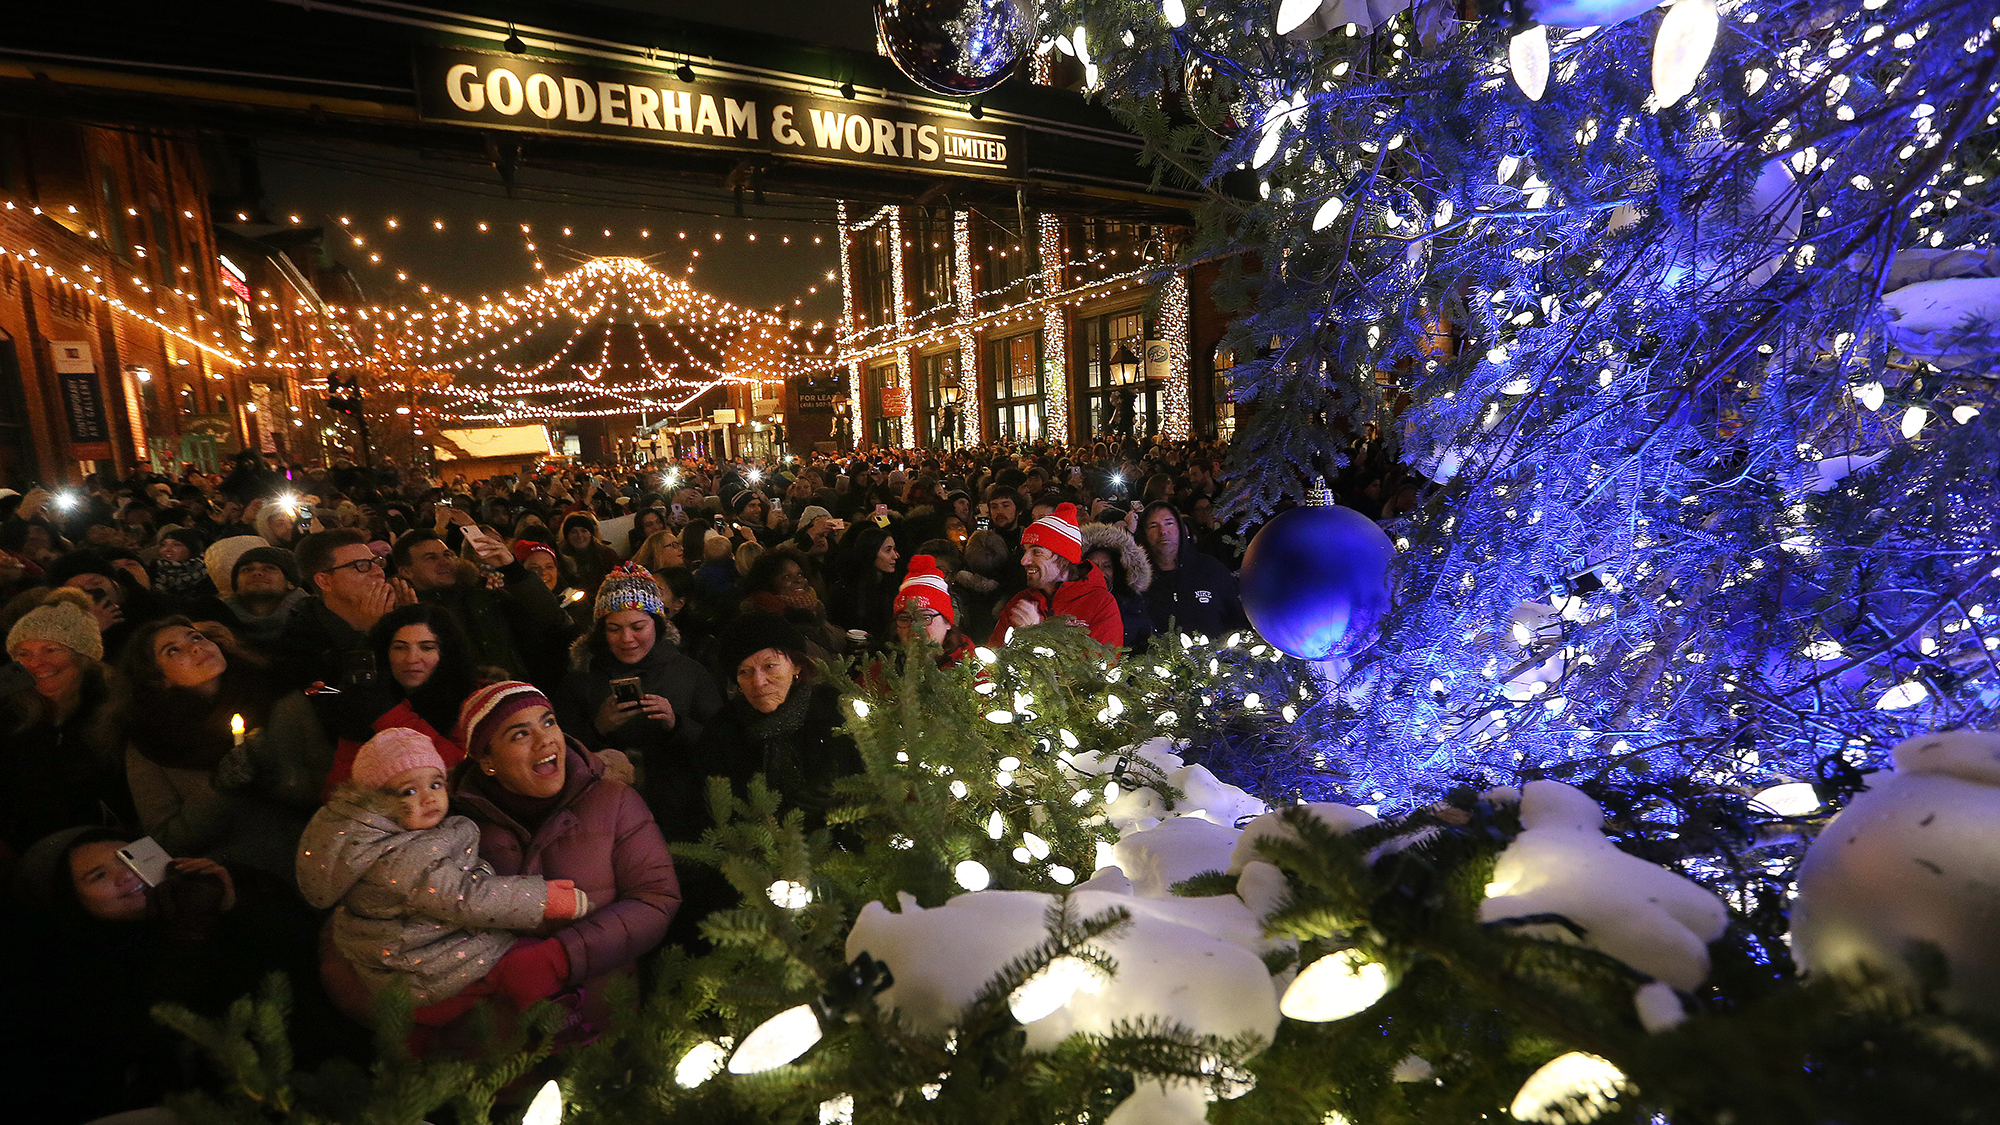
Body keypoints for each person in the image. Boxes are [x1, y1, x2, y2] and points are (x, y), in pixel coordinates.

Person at [297, 729, 590, 1019]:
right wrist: (541, 899)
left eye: (436, 785)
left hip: (426, 952)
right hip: (427, 967)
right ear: (375, 803)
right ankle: (557, 1023)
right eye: (409, 791)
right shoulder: (398, 861)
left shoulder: (398, 838)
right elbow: (463, 896)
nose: (428, 798)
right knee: (531, 963)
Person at [444, 682, 679, 1022]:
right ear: (487, 761)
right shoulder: (458, 829)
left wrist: (560, 957)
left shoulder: (613, 801)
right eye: (520, 735)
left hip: (605, 1014)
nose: (545, 740)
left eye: (549, 722)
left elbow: (656, 898)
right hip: (505, 1027)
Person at [123, 616, 330, 882]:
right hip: (233, 879)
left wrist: (278, 777)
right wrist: (218, 789)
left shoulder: (280, 699)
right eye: (173, 650)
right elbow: (166, 839)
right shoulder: (151, 742)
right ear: (158, 678)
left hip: (311, 861)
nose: (195, 647)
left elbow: (329, 786)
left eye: (196, 637)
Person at [559, 564, 724, 835]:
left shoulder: (688, 672)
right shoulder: (582, 677)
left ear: (657, 625)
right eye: (614, 629)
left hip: (681, 815)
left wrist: (676, 724)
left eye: (638, 627)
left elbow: (720, 743)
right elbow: (560, 748)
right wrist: (598, 728)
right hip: (604, 817)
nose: (627, 639)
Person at [698, 613, 862, 832]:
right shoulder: (722, 730)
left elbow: (866, 786)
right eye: (745, 672)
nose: (758, 682)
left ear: (796, 666)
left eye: (770, 666)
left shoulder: (834, 710)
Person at [2, 589, 135, 857]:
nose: (36, 663)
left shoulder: (117, 707)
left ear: (82, 655)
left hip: (106, 849)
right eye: (24, 653)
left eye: (51, 649)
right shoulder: (9, 709)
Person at [321, 603, 482, 799]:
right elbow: (339, 791)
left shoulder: (472, 699)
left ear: (446, 653)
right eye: (400, 648)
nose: (412, 658)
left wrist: (387, 714)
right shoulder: (367, 698)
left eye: (427, 648)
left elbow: (462, 765)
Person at [392, 524, 570, 688]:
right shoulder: (399, 614)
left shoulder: (483, 595)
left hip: (516, 696)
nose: (445, 562)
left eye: (447, 554)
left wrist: (512, 569)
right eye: (431, 558)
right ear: (406, 571)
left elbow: (550, 617)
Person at [989, 503, 1124, 650]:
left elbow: (1097, 668)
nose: (1024, 561)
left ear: (1064, 559)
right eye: (1025, 552)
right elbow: (992, 663)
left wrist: (1036, 634)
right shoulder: (1019, 603)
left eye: (1036, 552)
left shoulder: (1101, 604)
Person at [1140, 502, 1243, 640]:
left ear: (1180, 529)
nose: (1162, 531)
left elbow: (1238, 617)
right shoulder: (1137, 580)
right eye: (1153, 526)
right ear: (1144, 534)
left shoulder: (1210, 569)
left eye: (1169, 523)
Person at [191, 544, 311, 659]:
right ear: (236, 585)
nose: (257, 573)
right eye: (247, 569)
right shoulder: (217, 626)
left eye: (270, 568)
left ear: (290, 582)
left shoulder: (313, 618)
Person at [1082, 521, 1155, 653]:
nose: (1100, 572)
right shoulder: (1069, 602)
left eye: (1107, 566)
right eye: (1092, 566)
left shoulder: (1133, 605)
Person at [830, 521, 905, 648]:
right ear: (871, 552)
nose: (895, 556)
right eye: (888, 550)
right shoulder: (845, 590)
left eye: (895, 549)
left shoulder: (897, 587)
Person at [891, 555, 973, 667]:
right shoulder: (881, 670)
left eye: (925, 617)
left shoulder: (971, 672)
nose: (915, 628)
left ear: (948, 622)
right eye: (905, 618)